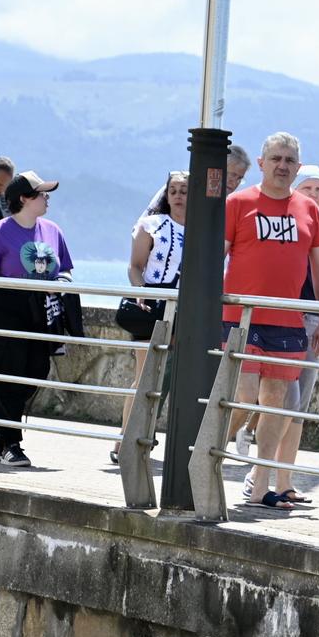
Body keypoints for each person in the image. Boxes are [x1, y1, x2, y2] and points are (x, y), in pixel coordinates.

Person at [220, 133, 319, 511]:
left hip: (288, 323)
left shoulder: (309, 210)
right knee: (245, 396)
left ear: (296, 167)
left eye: (289, 160)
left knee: (275, 404)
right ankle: (210, 451)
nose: (282, 166)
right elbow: (215, 259)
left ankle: (261, 485)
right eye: (276, 159)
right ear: (262, 162)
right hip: (241, 319)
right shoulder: (238, 203)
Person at [0, 171, 75, 467]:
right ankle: (10, 443)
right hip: (6, 309)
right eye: (41, 194)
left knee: (35, 373)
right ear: (24, 199)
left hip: (41, 311)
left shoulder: (53, 230)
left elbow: (65, 269)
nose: (46, 198)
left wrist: (63, 289)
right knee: (9, 374)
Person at [117, 172, 188, 452]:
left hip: (183, 307)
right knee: (145, 373)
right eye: (173, 190)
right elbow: (135, 265)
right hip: (153, 303)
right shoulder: (151, 225)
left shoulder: (201, 230)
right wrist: (141, 291)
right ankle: (124, 438)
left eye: (184, 191)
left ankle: (143, 434)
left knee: (164, 377)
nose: (178, 196)